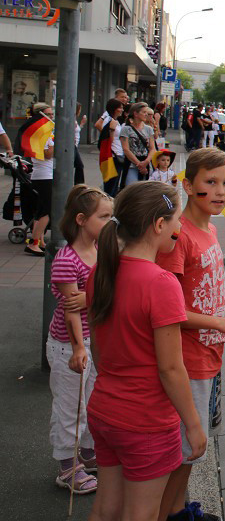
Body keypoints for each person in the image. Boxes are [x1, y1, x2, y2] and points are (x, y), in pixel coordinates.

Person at [85, 182, 206, 521]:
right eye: (176, 220)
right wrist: (194, 424)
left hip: (104, 408)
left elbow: (99, 347)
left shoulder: (101, 271)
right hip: (146, 420)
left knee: (106, 507)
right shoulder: (160, 283)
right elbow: (170, 368)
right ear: (158, 225)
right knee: (142, 514)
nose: (180, 228)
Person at [156, 148, 225, 521]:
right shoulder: (178, 239)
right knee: (186, 448)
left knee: (191, 448)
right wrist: (223, 325)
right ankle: (170, 513)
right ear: (187, 185)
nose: (220, 191)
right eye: (210, 182)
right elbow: (169, 311)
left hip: (209, 356)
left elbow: (209, 294)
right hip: (188, 361)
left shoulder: (211, 228)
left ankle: (179, 509)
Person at [47, 185, 113, 495]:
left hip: (94, 341)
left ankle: (87, 453)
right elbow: (72, 309)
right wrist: (76, 349)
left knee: (91, 402)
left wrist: (91, 296)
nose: (109, 222)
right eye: (104, 217)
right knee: (70, 407)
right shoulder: (66, 259)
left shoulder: (100, 250)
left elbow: (92, 297)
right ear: (82, 219)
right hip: (70, 346)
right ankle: (67, 467)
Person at [26, 103, 55, 257]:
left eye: (52, 114)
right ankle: (34, 242)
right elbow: (47, 154)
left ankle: (40, 241)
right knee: (46, 211)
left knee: (41, 210)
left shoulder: (46, 132)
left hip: (45, 174)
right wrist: (58, 142)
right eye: (48, 114)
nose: (51, 117)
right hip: (44, 175)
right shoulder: (41, 132)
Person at [121, 102, 157, 189]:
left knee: (143, 190)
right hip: (132, 163)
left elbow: (152, 148)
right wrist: (139, 164)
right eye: (144, 112)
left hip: (145, 162)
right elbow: (126, 149)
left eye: (147, 113)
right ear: (135, 113)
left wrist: (146, 162)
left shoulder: (148, 129)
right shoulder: (126, 129)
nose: (146, 115)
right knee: (131, 188)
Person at [100, 99, 125, 198]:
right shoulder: (109, 120)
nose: (122, 110)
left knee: (114, 185)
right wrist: (111, 129)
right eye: (120, 108)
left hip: (117, 155)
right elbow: (107, 139)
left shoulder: (115, 121)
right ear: (114, 109)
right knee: (110, 185)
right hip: (112, 156)